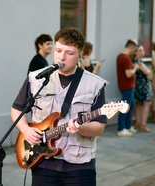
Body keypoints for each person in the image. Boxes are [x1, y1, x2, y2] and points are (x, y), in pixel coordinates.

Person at [11, 27, 107, 186]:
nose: (62, 57)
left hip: (80, 164)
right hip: (43, 162)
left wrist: (80, 127)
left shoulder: (95, 84)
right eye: (58, 50)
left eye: (69, 53)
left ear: (80, 54)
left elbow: (99, 127)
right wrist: (26, 130)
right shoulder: (36, 78)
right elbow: (17, 109)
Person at [116, 39, 139, 137]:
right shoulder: (125, 58)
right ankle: (121, 128)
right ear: (131, 47)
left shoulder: (121, 56)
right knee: (125, 107)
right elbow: (129, 74)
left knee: (130, 106)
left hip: (127, 86)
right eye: (135, 49)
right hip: (127, 86)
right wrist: (136, 68)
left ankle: (128, 126)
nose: (135, 52)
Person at [133, 45, 152, 132]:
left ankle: (138, 122)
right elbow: (148, 72)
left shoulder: (135, 61)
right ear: (136, 52)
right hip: (142, 85)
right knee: (146, 103)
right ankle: (143, 124)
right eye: (140, 50)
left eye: (143, 49)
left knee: (139, 104)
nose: (143, 51)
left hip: (137, 85)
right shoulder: (138, 62)